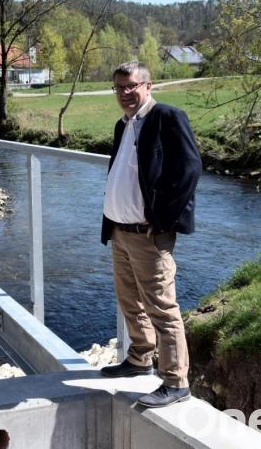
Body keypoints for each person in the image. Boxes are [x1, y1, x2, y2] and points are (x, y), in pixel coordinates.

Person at [99, 61, 202, 408]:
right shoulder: (123, 124)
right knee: (129, 300)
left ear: (148, 85)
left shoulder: (167, 117)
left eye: (131, 86)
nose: (125, 94)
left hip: (148, 235)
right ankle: (140, 358)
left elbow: (190, 169)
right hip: (120, 232)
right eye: (119, 88)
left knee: (161, 307)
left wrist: (164, 220)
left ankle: (176, 381)